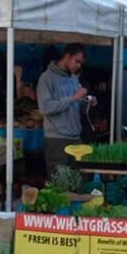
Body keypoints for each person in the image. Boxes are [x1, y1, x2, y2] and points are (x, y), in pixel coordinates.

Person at [38, 44, 94, 173]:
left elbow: (76, 104)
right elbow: (45, 108)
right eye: (77, 61)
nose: (79, 66)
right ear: (67, 56)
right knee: (59, 184)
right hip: (57, 139)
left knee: (78, 180)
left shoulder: (73, 78)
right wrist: (73, 97)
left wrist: (87, 102)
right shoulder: (46, 78)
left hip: (75, 137)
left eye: (81, 63)